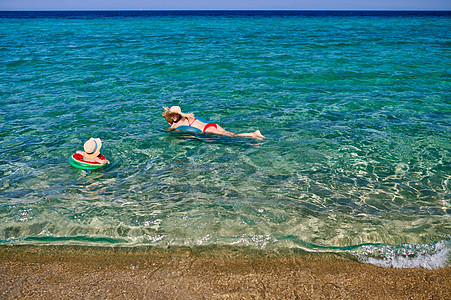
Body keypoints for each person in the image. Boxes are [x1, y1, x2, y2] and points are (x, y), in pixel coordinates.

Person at [162, 106, 265, 140]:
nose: (172, 117)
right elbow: (171, 122)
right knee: (230, 134)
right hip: (212, 125)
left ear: (178, 114)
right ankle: (255, 135)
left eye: (174, 115)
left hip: (208, 129)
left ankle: (253, 134)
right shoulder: (188, 117)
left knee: (233, 135)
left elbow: (169, 128)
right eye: (171, 115)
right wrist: (167, 117)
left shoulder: (176, 125)